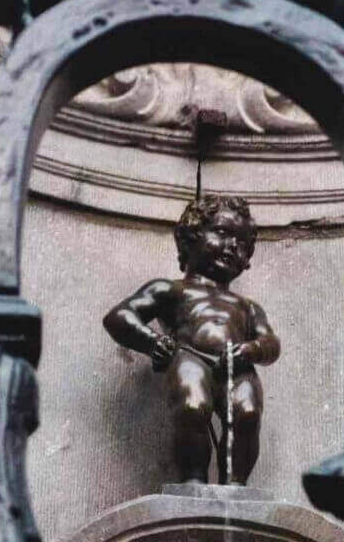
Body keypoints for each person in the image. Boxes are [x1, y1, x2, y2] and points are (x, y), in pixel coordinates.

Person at [103, 195, 280, 485]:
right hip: (190, 355)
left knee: (247, 414)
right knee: (191, 407)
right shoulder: (172, 290)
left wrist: (253, 349)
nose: (232, 246)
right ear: (191, 237)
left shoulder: (247, 307)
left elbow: (271, 342)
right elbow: (119, 316)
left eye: (242, 243)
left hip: (238, 364)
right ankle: (193, 480)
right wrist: (152, 342)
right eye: (221, 232)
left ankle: (236, 485)